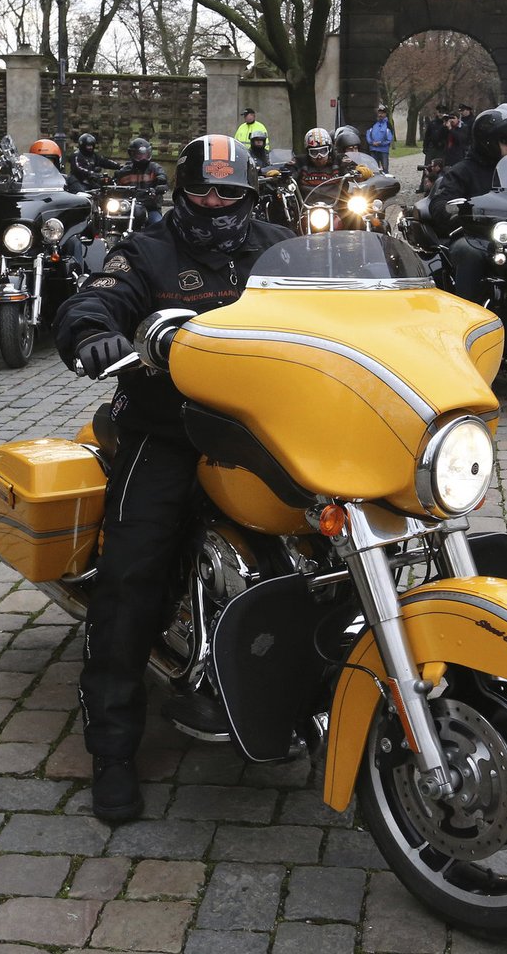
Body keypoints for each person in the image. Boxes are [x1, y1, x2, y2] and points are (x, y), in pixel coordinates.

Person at [52, 134, 294, 823]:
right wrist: (95, 332)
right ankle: (113, 747)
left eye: (230, 193)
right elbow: (95, 299)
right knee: (132, 577)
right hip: (169, 430)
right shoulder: (147, 251)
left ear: (251, 196)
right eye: (203, 191)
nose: (216, 204)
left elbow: (345, 302)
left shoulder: (278, 249)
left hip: (269, 426)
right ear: (180, 191)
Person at [429, 103, 507, 301]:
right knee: (469, 253)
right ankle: (468, 315)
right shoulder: (463, 171)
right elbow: (440, 204)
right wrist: (460, 211)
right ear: (488, 141)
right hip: (477, 237)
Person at [113, 137, 168, 224]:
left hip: (151, 206)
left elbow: (163, 181)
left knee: (158, 225)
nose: (143, 158)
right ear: (132, 154)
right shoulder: (124, 171)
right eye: (139, 155)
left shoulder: (155, 168)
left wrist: (158, 188)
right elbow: (114, 185)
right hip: (128, 206)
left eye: (145, 155)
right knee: (111, 220)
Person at [365, 104, 394, 172]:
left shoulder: (388, 125)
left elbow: (389, 138)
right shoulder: (373, 123)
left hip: (383, 150)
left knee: (385, 168)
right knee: (374, 169)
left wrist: (381, 143)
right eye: (379, 113)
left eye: (382, 113)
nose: (380, 115)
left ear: (385, 114)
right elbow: (368, 134)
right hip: (373, 149)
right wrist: (372, 142)